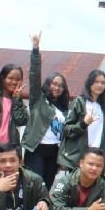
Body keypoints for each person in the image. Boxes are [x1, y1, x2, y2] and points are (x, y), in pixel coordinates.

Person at [22, 31, 70, 189]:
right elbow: (34, 76)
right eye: (54, 84)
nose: (57, 87)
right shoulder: (39, 100)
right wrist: (35, 50)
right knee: (35, 186)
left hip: (54, 152)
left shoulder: (64, 110)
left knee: (47, 187)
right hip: (37, 149)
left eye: (61, 85)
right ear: (48, 84)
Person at [58, 70, 105, 175]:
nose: (100, 85)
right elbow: (66, 129)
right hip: (79, 156)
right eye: (96, 82)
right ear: (89, 83)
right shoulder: (79, 102)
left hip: (97, 155)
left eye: (103, 83)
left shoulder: (103, 107)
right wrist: (83, 123)